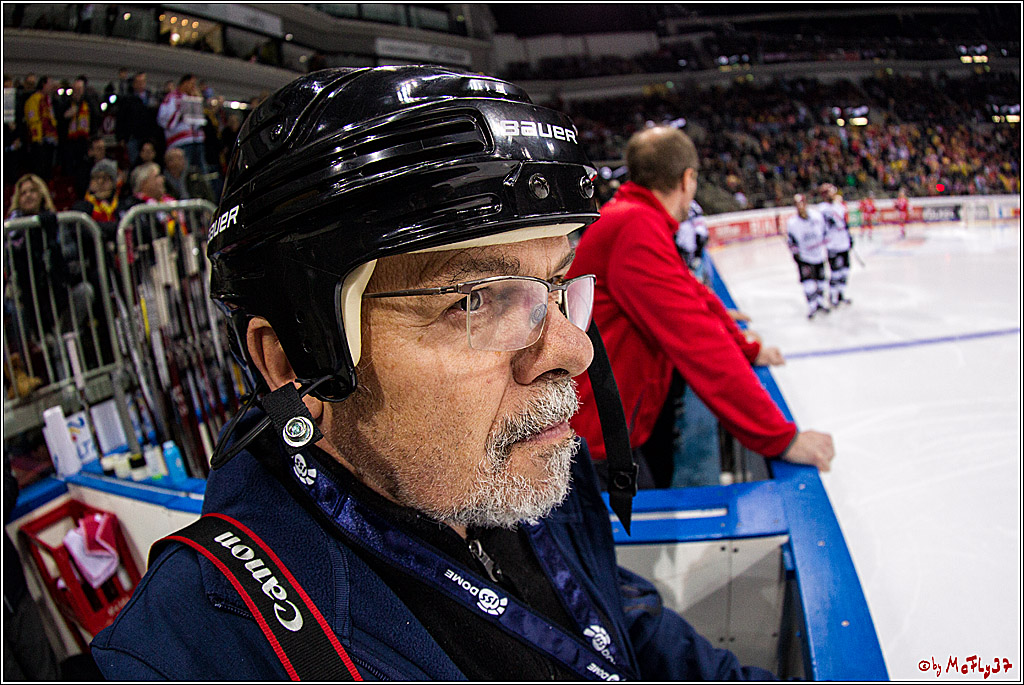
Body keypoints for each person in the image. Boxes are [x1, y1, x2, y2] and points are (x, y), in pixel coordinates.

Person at [91, 65, 778, 681]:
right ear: (294, 360)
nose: (574, 351)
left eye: (559, 282)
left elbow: (616, 625)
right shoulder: (197, 654)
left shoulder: (519, 457)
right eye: (476, 299)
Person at [568, 126, 833, 491]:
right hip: (594, 444)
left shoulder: (633, 217)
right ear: (688, 179)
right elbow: (696, 338)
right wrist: (780, 438)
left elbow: (691, 294)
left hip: (608, 429)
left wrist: (748, 348)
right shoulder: (634, 226)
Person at [787, 193, 830, 319]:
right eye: (797, 204)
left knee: (821, 281)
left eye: (802, 203)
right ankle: (812, 306)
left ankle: (821, 302)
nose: (800, 206)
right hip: (805, 258)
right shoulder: (792, 223)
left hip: (818, 255)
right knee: (808, 284)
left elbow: (824, 232)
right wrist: (796, 255)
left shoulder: (817, 216)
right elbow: (792, 241)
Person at [819, 184, 853, 307]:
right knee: (835, 272)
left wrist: (849, 238)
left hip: (843, 243)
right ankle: (832, 296)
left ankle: (841, 294)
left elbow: (844, 223)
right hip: (833, 245)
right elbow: (830, 222)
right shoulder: (823, 209)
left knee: (845, 270)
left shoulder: (839, 207)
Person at [22, 76, 59, 180]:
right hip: (39, 140)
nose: (51, 86)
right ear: (43, 84)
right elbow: (32, 119)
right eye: (50, 84)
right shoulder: (33, 99)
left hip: (50, 140)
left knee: (48, 171)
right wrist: (37, 138)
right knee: (39, 171)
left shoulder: (49, 100)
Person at [674, 199, 709, 283]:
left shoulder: (675, 203)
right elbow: (702, 234)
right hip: (687, 250)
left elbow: (701, 234)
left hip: (684, 249)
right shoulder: (693, 205)